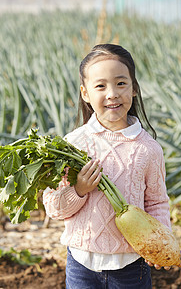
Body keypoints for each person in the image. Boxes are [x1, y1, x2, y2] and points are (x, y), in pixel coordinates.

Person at [43, 44, 172, 288]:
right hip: (82, 263)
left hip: (133, 264)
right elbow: (53, 207)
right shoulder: (71, 146)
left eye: (121, 83)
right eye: (100, 86)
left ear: (134, 89)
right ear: (85, 93)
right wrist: (79, 190)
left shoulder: (148, 149)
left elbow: (157, 202)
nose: (112, 93)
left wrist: (161, 242)